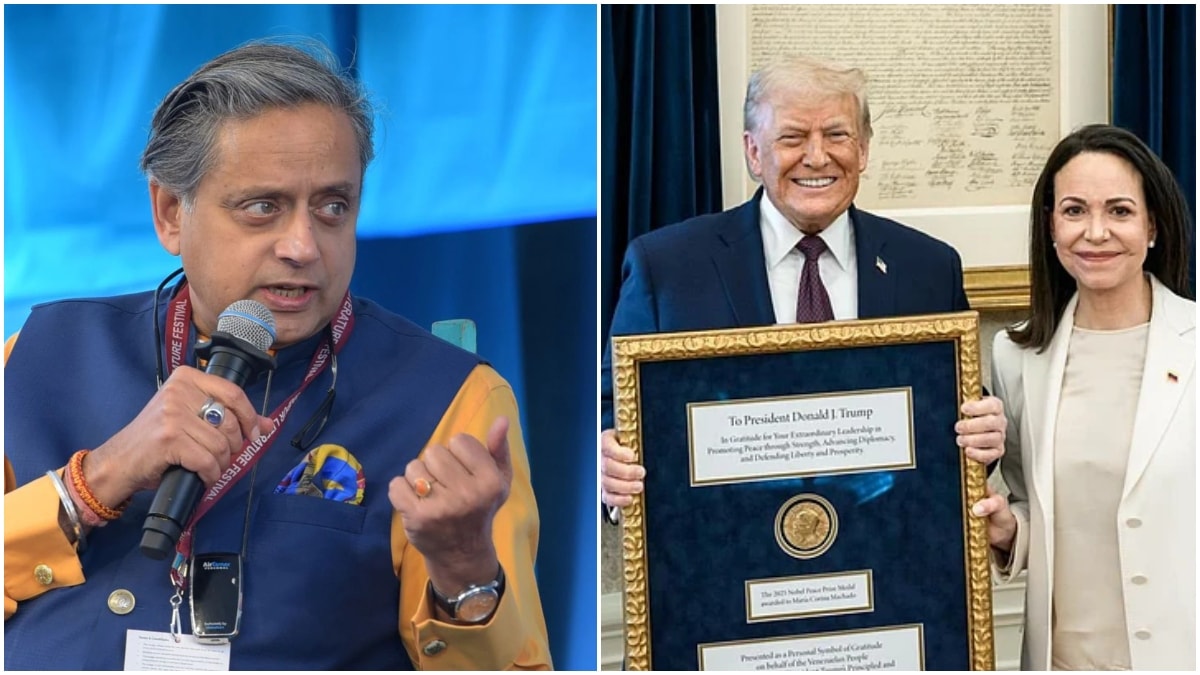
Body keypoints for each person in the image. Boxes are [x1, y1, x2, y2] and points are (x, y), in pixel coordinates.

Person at [3, 41, 552, 670]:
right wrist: (91, 483)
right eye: (263, 208)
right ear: (170, 213)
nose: (303, 246)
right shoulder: (37, 355)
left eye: (333, 207)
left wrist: (465, 572)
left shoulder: (448, 398)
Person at [600, 56, 1006, 512]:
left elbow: (952, 409)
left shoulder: (928, 267)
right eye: (792, 137)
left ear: (864, 149)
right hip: (722, 542)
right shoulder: (667, 267)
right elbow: (612, 405)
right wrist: (607, 462)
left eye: (837, 135)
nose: (817, 157)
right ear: (754, 152)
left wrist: (984, 431)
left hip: (886, 540)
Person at [975, 124, 1195, 670]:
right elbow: (1036, 507)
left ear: (1153, 227)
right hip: (1063, 660)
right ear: (1051, 226)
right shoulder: (1016, 355)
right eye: (1074, 211)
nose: (1096, 232)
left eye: (1119, 211)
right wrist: (1008, 531)